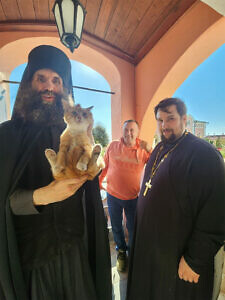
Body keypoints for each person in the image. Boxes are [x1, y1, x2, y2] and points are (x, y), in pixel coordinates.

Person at [0, 45, 112, 300]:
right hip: (34, 263)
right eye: (41, 79)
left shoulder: (74, 133)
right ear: (29, 82)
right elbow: (4, 203)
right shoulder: (6, 136)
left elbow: (90, 185)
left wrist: (93, 159)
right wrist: (42, 196)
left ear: (65, 88)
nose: (49, 87)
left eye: (56, 80)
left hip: (75, 253)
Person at [126, 97, 225, 300]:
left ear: (184, 119)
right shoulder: (160, 149)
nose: (164, 126)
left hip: (177, 257)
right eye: (160, 120)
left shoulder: (204, 155)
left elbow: (216, 211)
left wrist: (194, 260)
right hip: (151, 250)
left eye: (170, 119)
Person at [99, 120, 151, 272]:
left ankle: (132, 253)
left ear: (137, 132)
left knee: (133, 228)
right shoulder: (112, 145)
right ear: (122, 131)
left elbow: (158, 163)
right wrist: (99, 182)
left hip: (134, 197)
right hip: (113, 195)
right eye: (126, 130)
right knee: (116, 226)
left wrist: (150, 148)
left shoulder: (143, 149)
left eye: (132, 130)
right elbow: (105, 165)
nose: (129, 133)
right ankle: (121, 252)